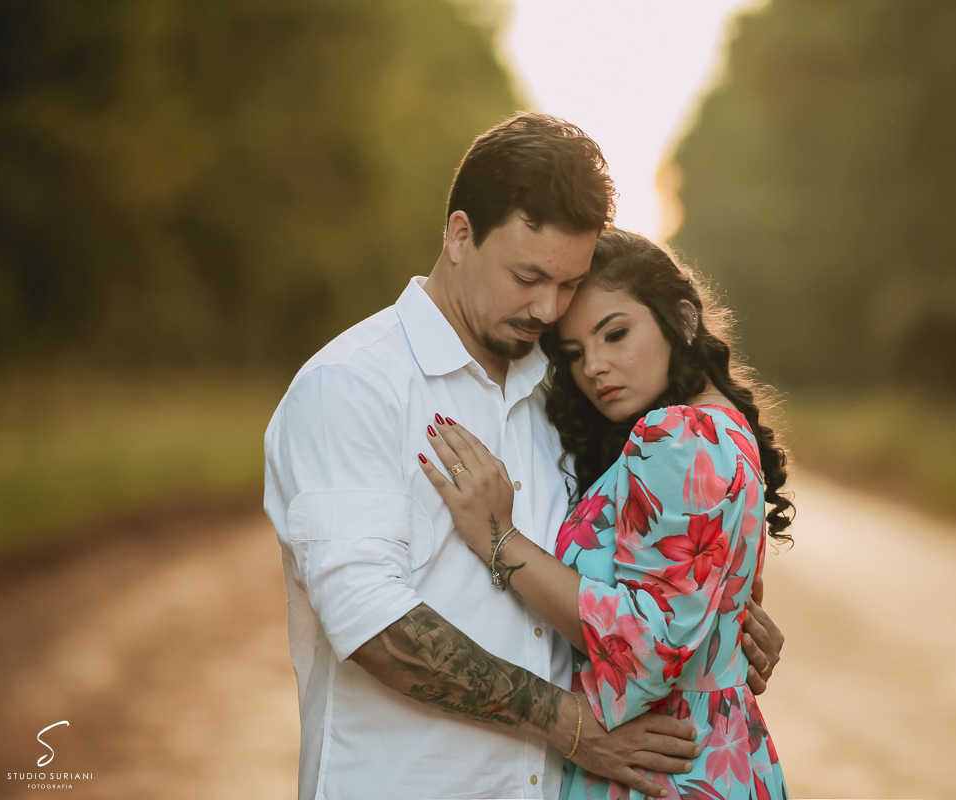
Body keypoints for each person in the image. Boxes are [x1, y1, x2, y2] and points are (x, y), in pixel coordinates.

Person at [263, 114, 783, 800]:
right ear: (458, 235)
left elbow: (640, 559)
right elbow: (371, 623)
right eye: (528, 275)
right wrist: (568, 723)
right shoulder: (353, 385)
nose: (547, 307)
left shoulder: (564, 388)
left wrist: (721, 619)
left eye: (567, 284)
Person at [416, 229, 794, 799]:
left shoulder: (678, 436)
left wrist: (500, 539)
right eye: (573, 354)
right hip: (712, 758)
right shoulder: (718, 427)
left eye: (615, 334)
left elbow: (646, 646)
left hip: (664, 771)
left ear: (682, 320)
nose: (595, 366)